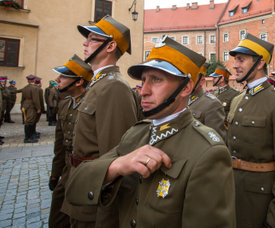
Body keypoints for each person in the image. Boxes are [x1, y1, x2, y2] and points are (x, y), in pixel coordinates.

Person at [66, 36, 236, 227]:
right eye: (144, 79)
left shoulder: (209, 152)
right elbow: (75, 187)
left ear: (186, 87)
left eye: (156, 80)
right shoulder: (135, 134)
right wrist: (117, 166)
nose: (144, 90)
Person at [64, 15, 138, 227]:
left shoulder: (114, 87)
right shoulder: (99, 84)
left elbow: (117, 156)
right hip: (82, 187)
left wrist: (107, 218)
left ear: (110, 45)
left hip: (94, 199)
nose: (85, 43)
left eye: (93, 39)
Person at [227, 33, 275, 227]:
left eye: (241, 60)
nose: (235, 65)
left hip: (261, 200)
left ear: (260, 63)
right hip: (233, 194)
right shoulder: (237, 100)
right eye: (235, 60)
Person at [48, 55, 93, 228]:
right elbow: (60, 144)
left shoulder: (91, 104)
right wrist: (55, 173)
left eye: (63, 76)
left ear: (79, 82)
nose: (57, 80)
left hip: (83, 168)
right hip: (67, 167)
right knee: (57, 217)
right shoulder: (65, 103)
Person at [188, 62, 226, 140]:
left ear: (201, 81)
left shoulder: (212, 104)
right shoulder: (179, 100)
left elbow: (216, 142)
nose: (186, 81)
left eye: (192, 77)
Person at [19, 75, 42, 143]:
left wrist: (22, 106)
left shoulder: (25, 88)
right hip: (31, 106)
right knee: (30, 121)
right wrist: (38, 108)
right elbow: (35, 99)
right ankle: (28, 138)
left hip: (25, 105)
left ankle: (30, 136)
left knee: (28, 121)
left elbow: (22, 99)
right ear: (34, 80)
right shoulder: (34, 88)